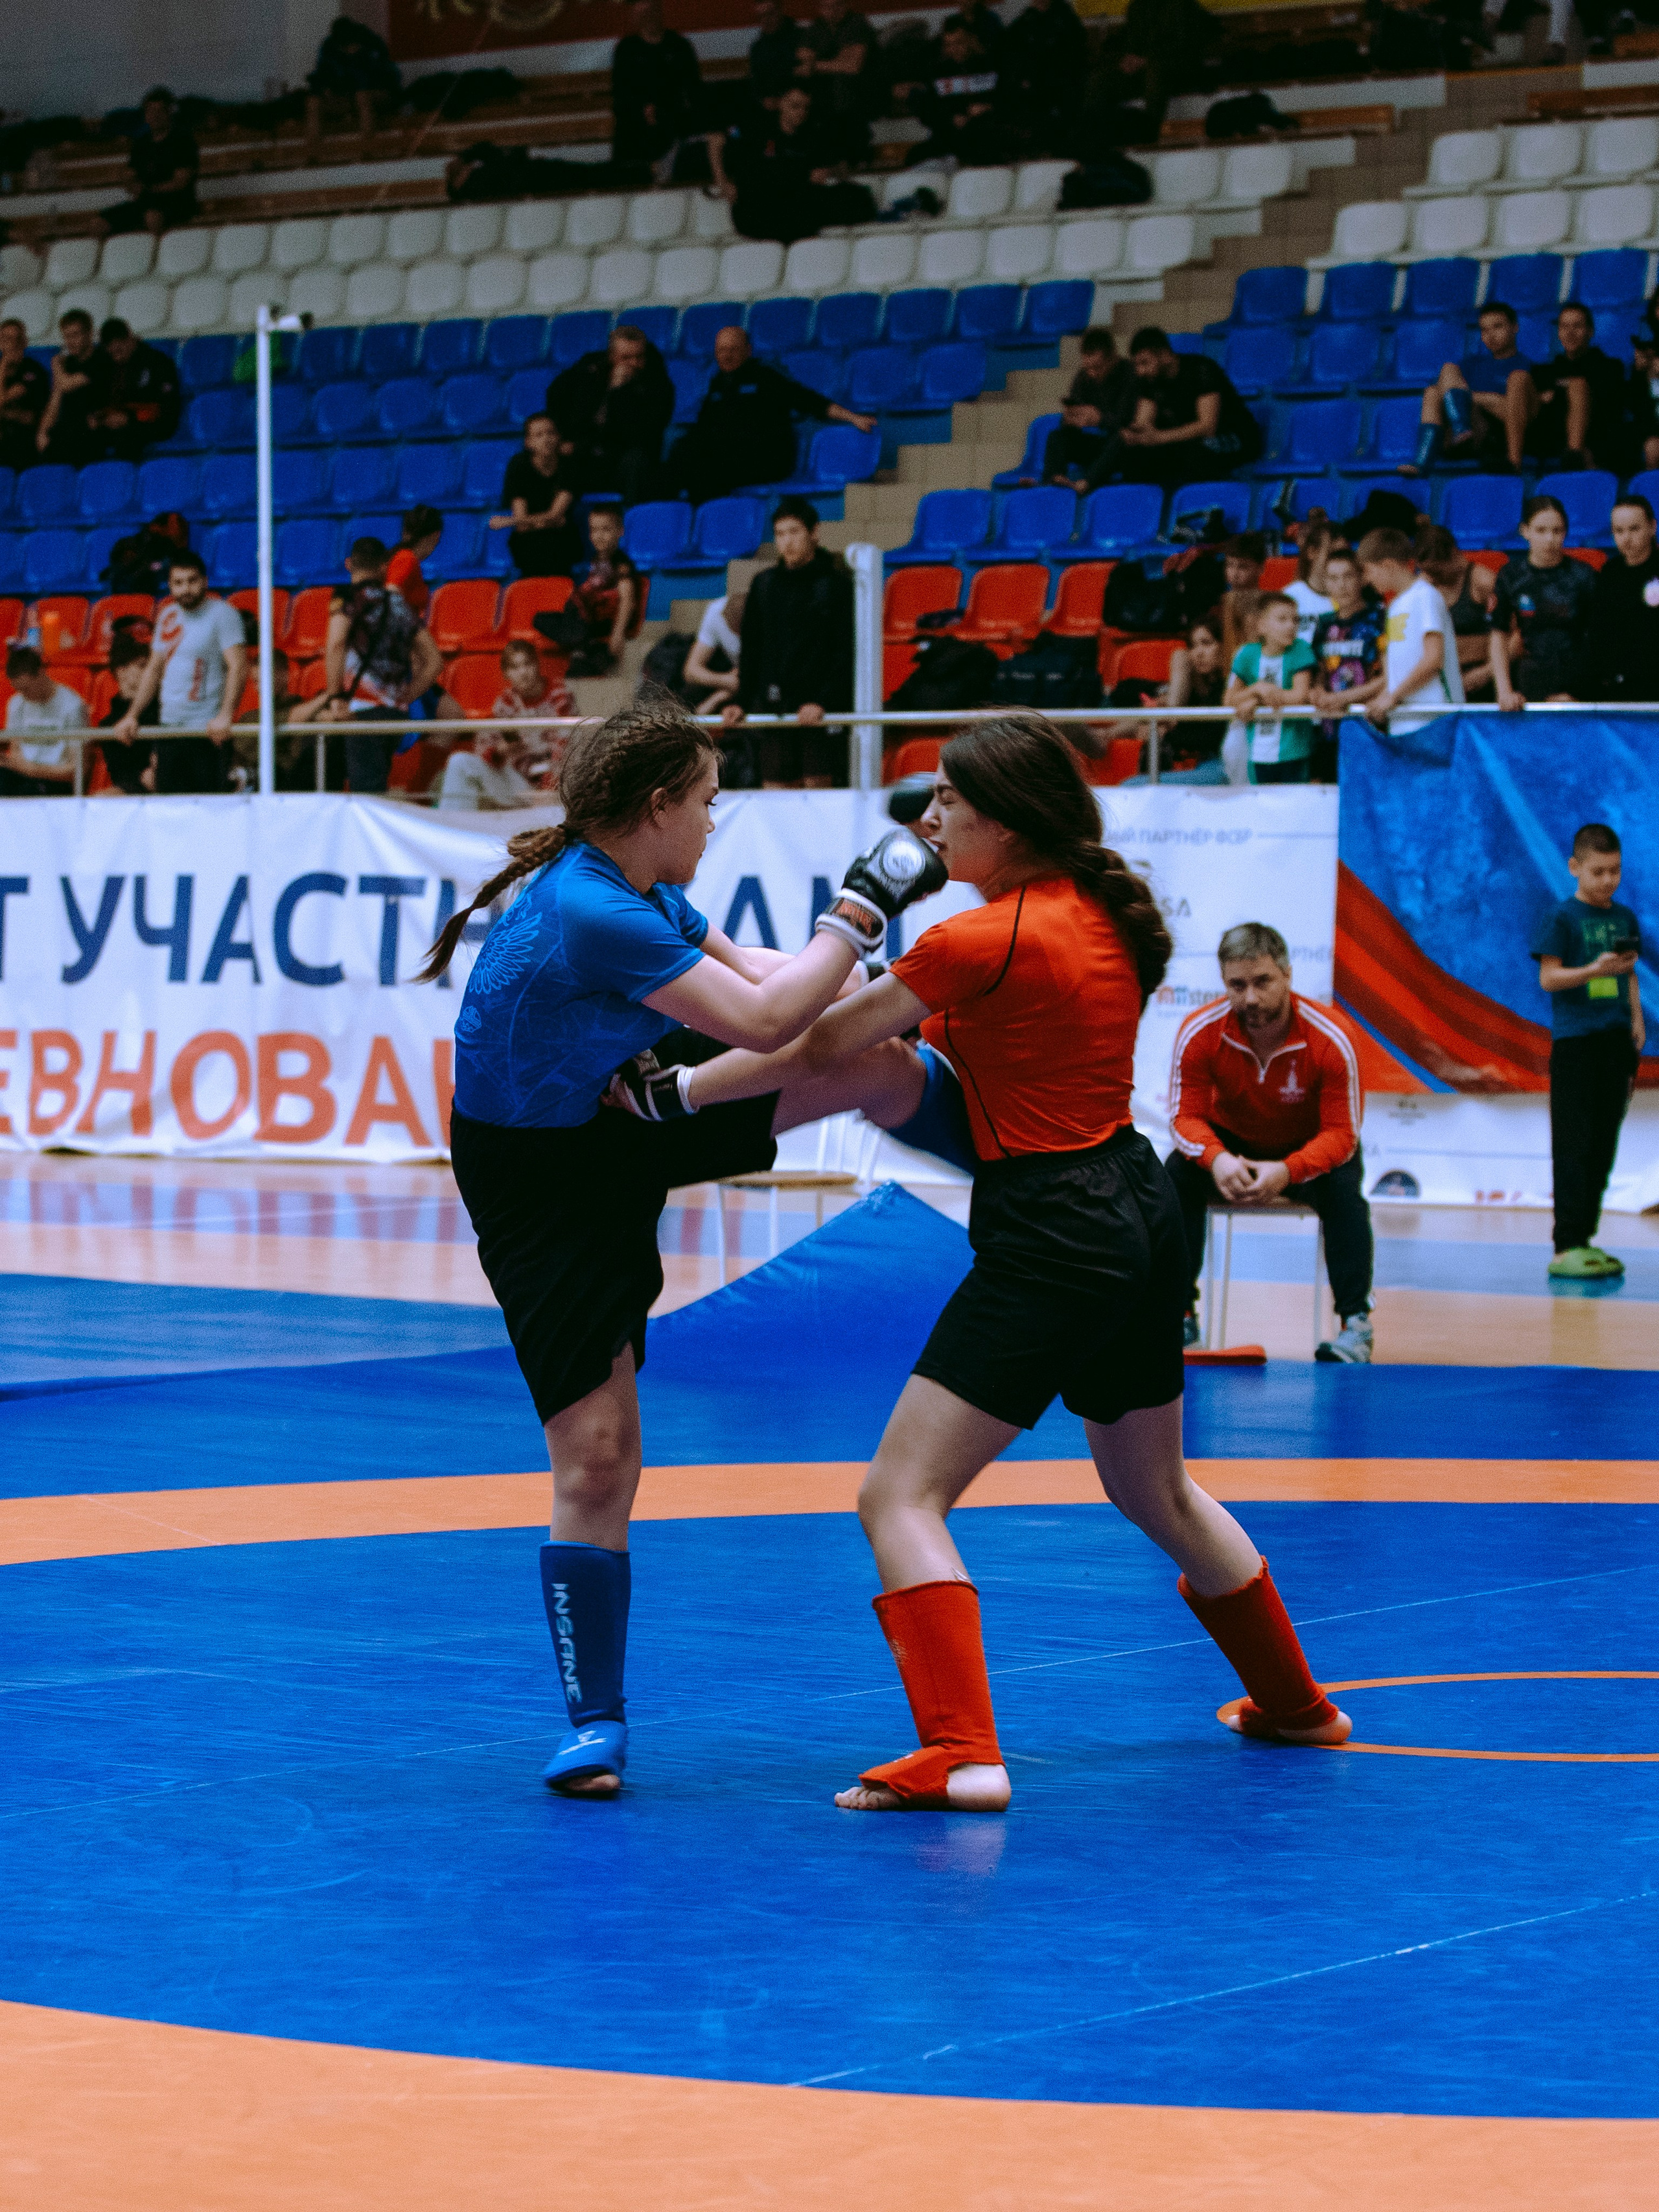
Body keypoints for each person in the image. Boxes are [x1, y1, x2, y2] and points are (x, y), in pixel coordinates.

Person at [664, 717, 1354, 1810]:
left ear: (1007, 820)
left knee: (901, 1493)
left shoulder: (977, 940)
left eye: (948, 800)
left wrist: (678, 1093)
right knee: (1155, 1486)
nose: (927, 818)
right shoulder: (1102, 916)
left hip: (1051, 1231)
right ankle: (1299, 1703)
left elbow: (823, 1042)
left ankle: (961, 1752)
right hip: (1135, 1209)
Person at [418, 697, 947, 1793]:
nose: (715, 822)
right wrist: (859, 908)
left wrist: (859, 967)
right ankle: (593, 1721)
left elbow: (771, 982)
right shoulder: (588, 908)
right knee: (601, 1454)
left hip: (622, 1105)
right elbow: (761, 1022)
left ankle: (1041, 1181)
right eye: (706, 803)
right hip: (541, 1182)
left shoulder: (640, 882)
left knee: (871, 1055)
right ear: (655, 805)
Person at [1166, 920, 1373, 1362]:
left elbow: (1343, 1134)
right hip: (1232, 1149)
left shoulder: (1332, 1036)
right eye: (1237, 985)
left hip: (1302, 1150)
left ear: (1288, 975)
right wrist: (1216, 1158)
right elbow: (1185, 1118)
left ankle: (1355, 1323)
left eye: (1263, 982)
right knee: (1176, 1173)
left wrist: (1289, 1170)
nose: (1251, 998)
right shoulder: (1201, 1031)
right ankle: (1179, 1316)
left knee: (1344, 1184)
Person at [1532, 822, 1645, 1280]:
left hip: (1615, 1040)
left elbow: (1629, 973)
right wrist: (1592, 969)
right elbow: (1550, 978)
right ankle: (1566, 1244)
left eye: (1615, 871)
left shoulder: (1624, 919)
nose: (1608, 881)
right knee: (1574, 1141)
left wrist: (1636, 1019)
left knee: (1603, 1141)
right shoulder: (1563, 917)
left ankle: (1587, 1238)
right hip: (1576, 1041)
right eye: (1598, 872)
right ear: (1575, 867)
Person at [723, 494, 853, 787]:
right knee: (776, 794)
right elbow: (752, 649)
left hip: (819, 712)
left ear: (814, 533)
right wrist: (741, 700)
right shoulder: (764, 584)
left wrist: (823, 701)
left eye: (794, 532)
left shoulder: (836, 585)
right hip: (774, 709)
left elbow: (844, 651)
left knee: (818, 796)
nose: (787, 542)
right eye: (780, 535)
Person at [664, 327, 874, 504]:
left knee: (707, 470)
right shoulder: (717, 384)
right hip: (729, 456)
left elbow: (809, 401)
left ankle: (715, 523)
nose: (726, 356)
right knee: (682, 451)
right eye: (721, 350)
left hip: (767, 458)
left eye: (733, 350)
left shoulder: (766, 377)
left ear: (748, 350)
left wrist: (853, 418)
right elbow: (704, 427)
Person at [110, 551, 245, 795]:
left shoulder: (223, 615)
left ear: (205, 581)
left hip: (206, 731)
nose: (186, 589)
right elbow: (154, 668)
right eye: (178, 583)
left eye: (192, 581)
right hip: (169, 730)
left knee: (210, 814)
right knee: (170, 814)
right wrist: (133, 715)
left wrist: (226, 715)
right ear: (170, 585)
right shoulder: (167, 616)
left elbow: (238, 665)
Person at [318, 537, 444, 793]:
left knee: (367, 795)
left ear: (349, 564)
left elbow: (336, 643)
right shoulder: (401, 605)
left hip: (359, 709)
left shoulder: (347, 597)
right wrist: (406, 694)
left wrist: (335, 696)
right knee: (375, 783)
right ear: (384, 567)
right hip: (395, 713)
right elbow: (434, 661)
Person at [1090, 325, 1263, 491]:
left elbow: (1207, 427)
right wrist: (1133, 434)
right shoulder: (1150, 381)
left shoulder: (1201, 370)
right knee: (1133, 456)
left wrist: (1158, 438)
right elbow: (1143, 423)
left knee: (1197, 452)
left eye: (1144, 363)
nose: (1140, 371)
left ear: (1165, 355)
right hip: (1187, 441)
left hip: (1234, 437)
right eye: (1137, 365)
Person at [711, 84, 878, 242]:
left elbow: (836, 167)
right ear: (781, 103)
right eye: (795, 107)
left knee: (852, 197)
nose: (801, 113)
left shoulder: (811, 134)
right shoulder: (757, 128)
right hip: (760, 202)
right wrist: (722, 182)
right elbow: (716, 141)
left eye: (805, 108)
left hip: (796, 198)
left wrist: (829, 172)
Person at [1405, 300, 1538, 478]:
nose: (1490, 335)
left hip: (1498, 438)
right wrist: (1492, 399)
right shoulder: (1471, 365)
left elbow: (1518, 414)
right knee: (1436, 386)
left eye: (1497, 327)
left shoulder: (1528, 367)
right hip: (1464, 435)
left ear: (1515, 328)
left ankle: (1460, 431)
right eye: (1484, 330)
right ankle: (1424, 460)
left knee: (1448, 392)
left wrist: (1472, 397)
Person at [547, 325, 675, 508]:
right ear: (612, 356)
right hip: (586, 456)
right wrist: (563, 438)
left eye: (639, 357)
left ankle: (632, 525)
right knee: (544, 456)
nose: (634, 363)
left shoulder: (658, 386)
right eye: (626, 358)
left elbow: (640, 437)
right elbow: (557, 394)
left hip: (622, 460)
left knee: (636, 462)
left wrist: (620, 392)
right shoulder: (590, 370)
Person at [1490, 493, 1598, 708]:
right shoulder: (1511, 576)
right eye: (1541, 530)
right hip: (1530, 687)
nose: (1550, 539)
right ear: (1525, 531)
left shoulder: (1584, 576)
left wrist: (1578, 692)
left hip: (1578, 688)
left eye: (1557, 531)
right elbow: (1498, 635)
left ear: (1565, 533)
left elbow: (1598, 637)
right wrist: (1504, 691)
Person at [1357, 527, 1465, 732]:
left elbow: (1434, 659)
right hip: (1404, 719)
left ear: (1387, 566)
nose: (1367, 579)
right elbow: (1397, 670)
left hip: (1436, 717)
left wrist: (1393, 696)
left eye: (1369, 570)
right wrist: (1383, 698)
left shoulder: (1425, 596)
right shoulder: (1394, 606)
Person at [1308, 544, 1387, 776]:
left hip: (1371, 727)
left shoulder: (1380, 618)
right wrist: (1317, 692)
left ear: (1362, 578)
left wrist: (1342, 698)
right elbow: (1319, 674)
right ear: (1325, 583)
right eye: (1333, 578)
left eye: (1348, 576)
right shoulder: (1324, 624)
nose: (1341, 585)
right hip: (1330, 731)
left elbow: (1388, 678)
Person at [1224, 592, 1316, 786]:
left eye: (1295, 620)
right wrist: (1257, 689)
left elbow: (1300, 696)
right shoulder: (1248, 654)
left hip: (1294, 750)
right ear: (1261, 626)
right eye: (1282, 619)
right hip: (1257, 752)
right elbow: (1229, 699)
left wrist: (1256, 700)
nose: (1291, 625)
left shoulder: (1301, 650)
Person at [1529, 301, 1629, 474]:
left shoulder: (1610, 367)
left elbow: (1608, 406)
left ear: (1590, 331)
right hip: (1553, 437)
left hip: (1596, 437)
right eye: (1564, 327)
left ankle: (1575, 457)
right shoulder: (1544, 372)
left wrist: (1557, 393)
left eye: (1577, 326)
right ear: (1558, 332)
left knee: (1578, 386)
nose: (1570, 333)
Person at [611, 0, 706, 174]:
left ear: (659, 11)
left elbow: (694, 92)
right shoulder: (626, 51)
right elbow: (620, 96)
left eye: (651, 11)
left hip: (674, 127)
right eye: (643, 14)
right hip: (636, 132)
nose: (649, 18)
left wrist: (667, 112)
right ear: (635, 17)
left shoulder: (679, 47)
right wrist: (642, 111)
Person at [907, 14, 1014, 169]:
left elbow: (1011, 99)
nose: (954, 50)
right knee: (915, 156)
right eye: (949, 45)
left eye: (959, 43)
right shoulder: (938, 73)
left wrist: (988, 108)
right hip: (950, 135)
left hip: (986, 132)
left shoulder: (991, 67)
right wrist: (950, 118)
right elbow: (929, 110)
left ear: (971, 40)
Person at [1585, 492, 1659, 705]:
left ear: (1652, 527)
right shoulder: (1610, 573)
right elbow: (1598, 635)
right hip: (1619, 688)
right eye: (1619, 531)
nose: (1626, 538)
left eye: (1634, 529)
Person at [1043, 328, 1140, 485]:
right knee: (1056, 437)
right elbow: (1070, 426)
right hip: (1100, 446)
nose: (1092, 373)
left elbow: (1128, 422)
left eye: (1097, 368)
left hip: (1125, 448)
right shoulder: (1083, 378)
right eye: (1088, 368)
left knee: (1121, 438)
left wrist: (1100, 419)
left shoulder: (1130, 375)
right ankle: (1054, 480)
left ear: (1112, 359)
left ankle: (1087, 483)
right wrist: (1071, 420)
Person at [491, 412, 583, 578]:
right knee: (531, 544)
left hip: (562, 538)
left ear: (559, 437)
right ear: (529, 442)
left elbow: (556, 515)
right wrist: (544, 521)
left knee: (554, 544)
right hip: (530, 539)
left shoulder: (570, 466)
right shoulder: (519, 466)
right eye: (539, 435)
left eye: (551, 433)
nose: (546, 439)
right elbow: (524, 526)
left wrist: (509, 521)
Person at [100, 87, 199, 238]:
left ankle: (159, 257)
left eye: (160, 111)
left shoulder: (183, 141)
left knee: (152, 217)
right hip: (146, 202)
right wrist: (128, 181)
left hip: (178, 203)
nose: (155, 116)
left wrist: (149, 190)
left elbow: (181, 182)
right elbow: (130, 173)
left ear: (169, 113)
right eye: (151, 111)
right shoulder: (141, 143)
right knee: (99, 223)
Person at [80, 318, 181, 461]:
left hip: (151, 422)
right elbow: (99, 401)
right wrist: (98, 417)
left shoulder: (157, 362)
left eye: (119, 344)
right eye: (110, 346)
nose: (115, 350)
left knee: (126, 437)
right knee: (83, 436)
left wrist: (130, 418)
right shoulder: (109, 367)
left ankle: (125, 480)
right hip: (119, 423)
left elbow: (167, 408)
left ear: (130, 338)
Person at [1414, 522, 1495, 700]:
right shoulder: (1422, 587)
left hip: (1483, 679)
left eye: (1437, 571)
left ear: (1454, 554)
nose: (1431, 577)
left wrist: (1488, 671)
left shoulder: (1483, 582)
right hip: (1440, 681)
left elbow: (1516, 637)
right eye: (1425, 570)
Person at [1002, 0, 1089, 154]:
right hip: (1033, 88)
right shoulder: (1025, 20)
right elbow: (1010, 53)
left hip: (1061, 85)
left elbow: (1076, 57)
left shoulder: (1066, 18)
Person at [566, 503, 643, 677]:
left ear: (620, 531)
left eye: (605, 530)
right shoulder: (595, 560)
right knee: (543, 619)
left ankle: (590, 651)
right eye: (594, 530)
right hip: (591, 620)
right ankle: (587, 647)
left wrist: (618, 633)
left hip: (608, 619)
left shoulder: (621, 564)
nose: (598, 536)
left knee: (573, 621)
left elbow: (627, 600)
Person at [307, 12, 402, 145]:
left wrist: (359, 60)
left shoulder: (371, 43)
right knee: (313, 102)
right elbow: (321, 75)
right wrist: (325, 89)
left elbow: (388, 79)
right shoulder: (330, 47)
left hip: (377, 95)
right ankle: (314, 151)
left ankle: (367, 146)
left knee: (362, 96)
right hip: (346, 97)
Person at [491, 638, 575, 788]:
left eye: (528, 664)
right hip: (519, 780)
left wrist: (548, 786)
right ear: (506, 673)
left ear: (537, 665)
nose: (523, 672)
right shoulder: (504, 703)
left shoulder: (560, 694)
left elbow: (567, 744)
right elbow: (486, 747)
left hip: (558, 779)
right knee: (460, 761)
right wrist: (500, 750)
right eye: (515, 667)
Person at [0, 647, 86, 795]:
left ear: (40, 673)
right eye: (19, 690)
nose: (24, 695)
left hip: (54, 780)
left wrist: (33, 770)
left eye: (27, 689)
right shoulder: (16, 703)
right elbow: (16, 752)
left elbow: (77, 769)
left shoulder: (72, 706)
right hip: (22, 776)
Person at [800, 0, 878, 158]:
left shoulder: (857, 24)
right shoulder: (817, 28)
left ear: (844, 5)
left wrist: (817, 65)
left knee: (843, 83)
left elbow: (852, 66)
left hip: (859, 98)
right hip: (826, 104)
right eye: (825, 6)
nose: (831, 11)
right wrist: (836, 61)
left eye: (835, 5)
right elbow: (802, 64)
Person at [97, 631, 159, 795]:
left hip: (171, 784)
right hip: (133, 790)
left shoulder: (166, 711)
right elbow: (120, 775)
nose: (151, 673)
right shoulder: (108, 724)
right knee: (102, 799)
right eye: (142, 666)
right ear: (121, 670)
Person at [36, 308, 98, 466]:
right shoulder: (68, 364)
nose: (70, 341)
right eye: (67, 336)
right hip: (66, 429)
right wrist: (43, 431)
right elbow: (55, 398)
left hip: (90, 428)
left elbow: (67, 385)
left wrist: (55, 364)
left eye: (75, 335)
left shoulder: (100, 360)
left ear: (89, 334)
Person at [439, 726, 539, 811]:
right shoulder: (464, 765)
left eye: (495, 739)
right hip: (461, 824)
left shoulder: (513, 775)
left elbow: (531, 801)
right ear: (475, 747)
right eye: (482, 742)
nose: (489, 745)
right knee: (459, 759)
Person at [0, 317, 48, 474]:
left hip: (24, 439)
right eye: (7, 339)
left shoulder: (33, 370)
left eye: (17, 339)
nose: (12, 344)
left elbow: (4, 400)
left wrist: (4, 365)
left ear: (24, 342)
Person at [682, 591, 744, 711]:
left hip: (759, 684)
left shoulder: (771, 619)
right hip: (732, 678)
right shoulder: (716, 612)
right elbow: (691, 671)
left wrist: (717, 698)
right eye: (733, 630)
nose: (737, 635)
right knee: (690, 692)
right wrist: (726, 681)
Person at [1217, 531, 1267, 664]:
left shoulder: (1270, 604)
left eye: (1242, 567)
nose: (1234, 573)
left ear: (1261, 568)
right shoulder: (1219, 603)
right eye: (1230, 565)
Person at [386, 505, 444, 618]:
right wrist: (412, 628)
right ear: (436, 536)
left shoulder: (403, 556)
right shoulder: (406, 559)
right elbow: (391, 593)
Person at [748, 0, 804, 110]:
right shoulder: (758, 49)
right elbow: (757, 85)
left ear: (780, 11)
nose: (766, 20)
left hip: (803, 105)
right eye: (761, 17)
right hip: (773, 110)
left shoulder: (802, 39)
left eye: (770, 14)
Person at [1284, 524, 1335, 646]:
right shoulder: (1291, 595)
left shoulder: (1348, 599)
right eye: (1331, 555)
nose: (1337, 562)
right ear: (1312, 552)